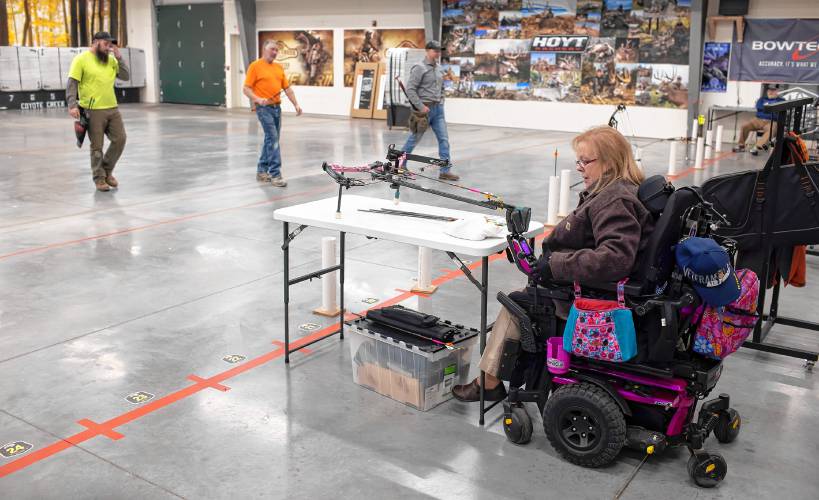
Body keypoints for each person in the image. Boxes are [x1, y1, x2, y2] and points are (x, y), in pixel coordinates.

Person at [453, 126, 654, 402]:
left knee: (517, 304)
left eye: (586, 161)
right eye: (578, 161)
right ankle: (492, 378)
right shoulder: (612, 191)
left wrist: (556, 265)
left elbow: (615, 258)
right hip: (580, 282)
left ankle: (488, 382)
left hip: (589, 295)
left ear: (609, 162)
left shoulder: (614, 200)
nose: (580, 168)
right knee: (522, 298)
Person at [66, 31, 130, 192]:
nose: (109, 46)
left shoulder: (111, 60)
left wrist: (119, 56)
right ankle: (99, 179)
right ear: (95, 42)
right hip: (92, 110)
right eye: (106, 43)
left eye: (111, 44)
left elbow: (125, 76)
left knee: (120, 139)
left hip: (112, 108)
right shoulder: (81, 59)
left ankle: (107, 171)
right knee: (97, 147)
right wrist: (72, 104)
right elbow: (72, 82)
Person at [243, 40, 303, 186]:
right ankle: (275, 174)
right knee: (273, 139)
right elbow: (246, 89)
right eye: (272, 49)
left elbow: (287, 89)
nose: (275, 52)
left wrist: (296, 104)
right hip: (264, 109)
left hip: (277, 108)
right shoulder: (255, 66)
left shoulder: (278, 68)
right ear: (265, 49)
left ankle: (262, 171)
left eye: (277, 50)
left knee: (271, 140)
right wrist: (258, 99)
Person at [401, 40, 459, 181]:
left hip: (438, 110)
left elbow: (441, 87)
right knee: (414, 138)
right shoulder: (419, 68)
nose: (438, 53)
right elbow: (410, 89)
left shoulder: (439, 68)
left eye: (439, 51)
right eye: (435, 51)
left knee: (444, 140)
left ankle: (445, 171)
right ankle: (400, 164)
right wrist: (421, 106)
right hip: (424, 111)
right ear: (427, 51)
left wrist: (441, 99)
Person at [733, 86, 785, 156]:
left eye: (773, 90)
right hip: (758, 119)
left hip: (772, 121)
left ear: (777, 92)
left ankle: (757, 147)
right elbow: (759, 107)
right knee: (744, 126)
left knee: (772, 130)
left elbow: (777, 110)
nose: (770, 92)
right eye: (769, 90)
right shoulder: (762, 99)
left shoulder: (781, 100)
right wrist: (770, 108)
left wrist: (767, 107)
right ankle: (741, 146)